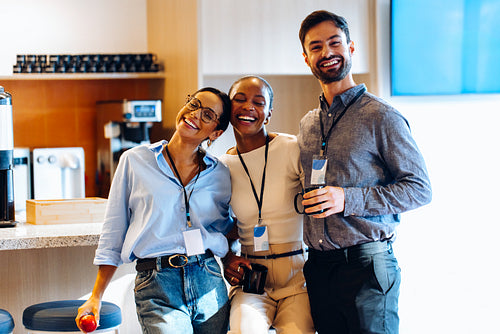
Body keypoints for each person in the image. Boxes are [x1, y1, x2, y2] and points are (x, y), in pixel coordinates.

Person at [297, 10, 432, 334]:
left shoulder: (381, 116)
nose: (327, 53)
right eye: (316, 47)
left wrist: (348, 199)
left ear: (351, 48)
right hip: (317, 267)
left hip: (367, 266)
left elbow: (419, 189)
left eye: (334, 43)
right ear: (306, 58)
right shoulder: (307, 124)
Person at [75, 87, 233, 334]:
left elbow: (227, 228)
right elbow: (113, 233)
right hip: (157, 282)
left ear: (216, 132)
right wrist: (96, 296)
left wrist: (234, 260)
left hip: (208, 278)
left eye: (207, 115)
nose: (194, 114)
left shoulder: (220, 174)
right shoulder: (134, 161)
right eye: (194, 104)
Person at [219, 76, 315, 334]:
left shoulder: (291, 148)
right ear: (228, 109)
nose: (248, 106)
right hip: (252, 277)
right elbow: (222, 227)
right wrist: (228, 257)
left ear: (268, 114)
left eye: (258, 102)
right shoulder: (222, 167)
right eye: (239, 100)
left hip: (298, 277)